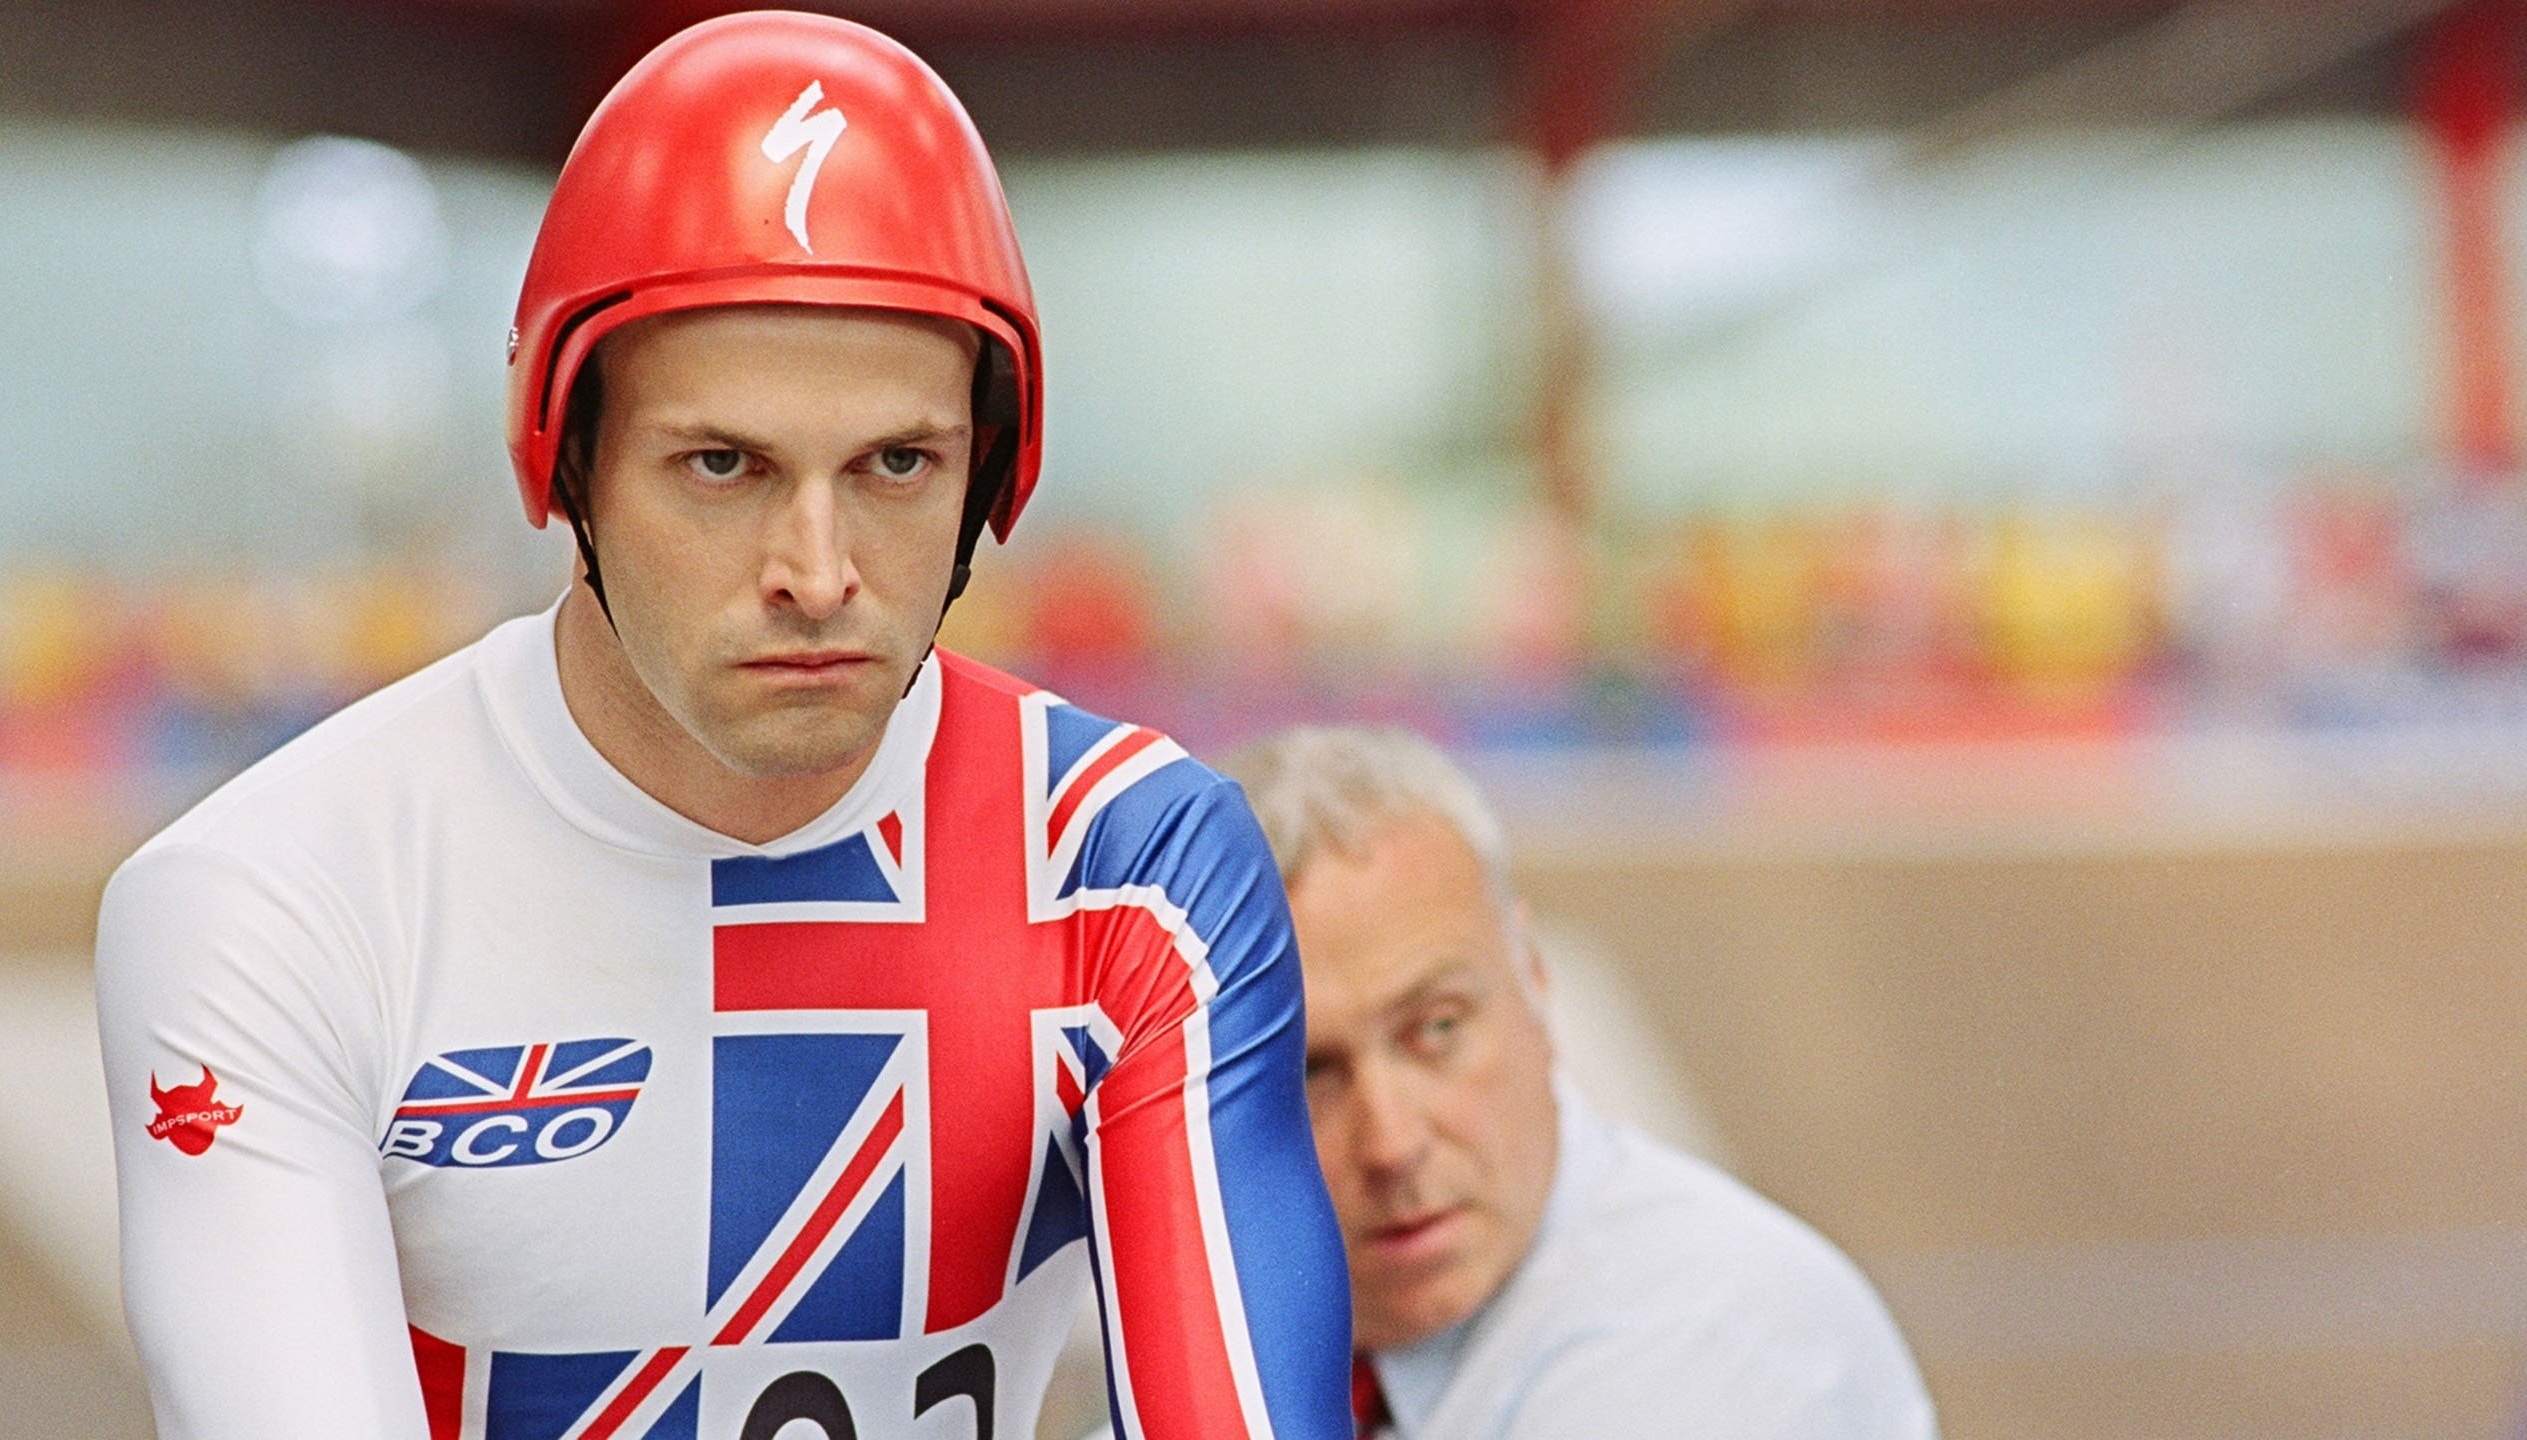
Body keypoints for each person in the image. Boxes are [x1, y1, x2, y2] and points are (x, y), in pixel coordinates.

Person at [94, 14, 1350, 1439]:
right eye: (722, 465)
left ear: (989, 471)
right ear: (566, 458)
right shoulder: (274, 898)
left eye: (895, 463)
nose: (817, 571)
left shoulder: (1130, 867)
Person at [1218, 725, 1937, 1440]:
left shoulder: (1708, 1337)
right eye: (1304, 1074)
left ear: (1533, 978)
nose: (1392, 1144)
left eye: (1438, 1028)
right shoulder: (1272, 1341)